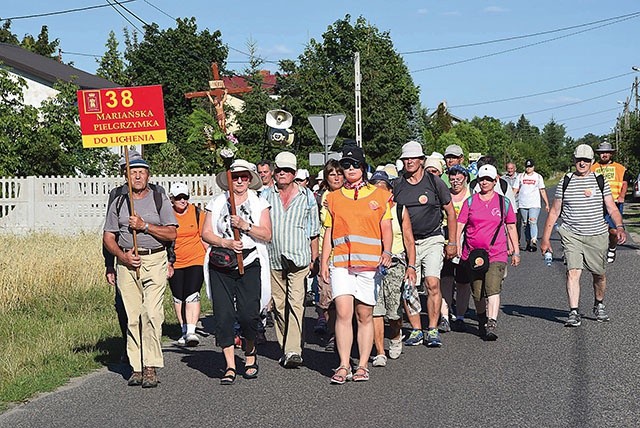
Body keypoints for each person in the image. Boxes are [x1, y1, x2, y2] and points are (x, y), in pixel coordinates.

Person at [103, 154, 178, 388]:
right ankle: (136, 366)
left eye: (141, 171)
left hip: (154, 259)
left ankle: (150, 366)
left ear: (148, 175)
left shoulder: (158, 197)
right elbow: (108, 236)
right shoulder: (118, 199)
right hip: (127, 262)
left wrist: (144, 225)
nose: (137, 175)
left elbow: (172, 233)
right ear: (126, 175)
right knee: (133, 316)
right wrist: (121, 257)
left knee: (152, 314)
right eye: (132, 171)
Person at [320, 145, 393, 384]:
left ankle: (361, 365)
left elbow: (386, 227)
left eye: (355, 165)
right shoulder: (332, 198)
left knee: (364, 314)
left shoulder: (380, 196)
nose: (350, 169)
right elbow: (329, 232)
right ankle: (343, 364)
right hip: (341, 262)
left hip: (369, 264)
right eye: (346, 165)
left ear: (363, 168)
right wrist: (323, 263)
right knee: (342, 311)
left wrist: (388, 251)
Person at [201, 159, 272, 384]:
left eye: (244, 177)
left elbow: (267, 234)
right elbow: (206, 233)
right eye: (235, 177)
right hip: (221, 263)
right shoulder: (217, 202)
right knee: (223, 316)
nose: (239, 181)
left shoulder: (259, 203)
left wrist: (245, 226)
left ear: (250, 179)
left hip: (249, 262)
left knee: (248, 314)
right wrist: (226, 243)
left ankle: (250, 354)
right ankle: (230, 365)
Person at [540, 144, 626, 327]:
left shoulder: (600, 180)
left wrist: (619, 226)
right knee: (573, 272)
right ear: (574, 160)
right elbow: (555, 212)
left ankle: (599, 303)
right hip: (572, 234)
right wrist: (546, 239)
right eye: (579, 159)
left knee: (599, 274)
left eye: (586, 160)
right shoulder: (566, 181)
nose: (582, 163)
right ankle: (573, 311)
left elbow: (611, 207)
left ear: (591, 162)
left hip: (597, 234)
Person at [393, 141, 458, 348]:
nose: (409, 161)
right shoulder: (397, 185)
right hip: (406, 243)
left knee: (432, 283)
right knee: (408, 287)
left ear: (422, 160)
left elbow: (450, 212)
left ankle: (432, 328)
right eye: (406, 158)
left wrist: (452, 242)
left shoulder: (434, 181)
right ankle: (415, 329)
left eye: (413, 158)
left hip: (432, 238)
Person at [260, 151, 320, 368]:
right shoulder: (266, 196)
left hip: (300, 258)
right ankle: (289, 344)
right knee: (279, 304)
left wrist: (315, 257)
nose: (283, 174)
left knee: (295, 302)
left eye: (288, 170)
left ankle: (293, 350)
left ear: (294, 173)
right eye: (280, 170)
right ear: (275, 172)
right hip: (273, 257)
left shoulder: (307, 197)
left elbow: (314, 230)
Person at [456, 164, 520, 340]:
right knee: (477, 292)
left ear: (495, 181)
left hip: (496, 253)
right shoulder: (470, 202)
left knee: (492, 288)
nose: (484, 182)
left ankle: (491, 323)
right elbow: (460, 224)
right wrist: (456, 243)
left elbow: (511, 226)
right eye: (482, 179)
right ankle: (482, 318)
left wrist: (515, 251)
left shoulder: (503, 202)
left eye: (488, 179)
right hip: (473, 254)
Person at [369, 170, 416, 367]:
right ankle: (380, 351)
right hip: (372, 264)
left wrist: (411, 266)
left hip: (396, 263)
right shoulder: (368, 209)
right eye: (374, 189)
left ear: (390, 191)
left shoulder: (399, 210)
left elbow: (409, 240)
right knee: (375, 309)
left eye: (382, 189)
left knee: (394, 310)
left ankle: (396, 336)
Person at [167, 182, 206, 347]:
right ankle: (183, 330)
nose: (182, 200)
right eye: (178, 198)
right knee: (178, 296)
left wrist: (210, 258)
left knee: (192, 292)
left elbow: (205, 236)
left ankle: (191, 330)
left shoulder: (197, 213)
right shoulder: (166, 215)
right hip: (175, 260)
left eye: (185, 197)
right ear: (172, 199)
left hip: (196, 258)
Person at [314, 159, 344, 351]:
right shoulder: (320, 199)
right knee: (328, 300)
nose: (336, 177)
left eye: (339, 173)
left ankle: (343, 335)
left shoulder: (350, 195)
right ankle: (333, 334)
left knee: (344, 299)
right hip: (326, 253)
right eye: (332, 174)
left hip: (346, 253)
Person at [440, 165, 472, 332]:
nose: (455, 182)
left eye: (459, 179)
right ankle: (445, 316)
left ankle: (460, 316)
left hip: (467, 241)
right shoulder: (445, 195)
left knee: (463, 282)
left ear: (465, 179)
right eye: (452, 179)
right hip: (447, 239)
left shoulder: (471, 195)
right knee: (445, 279)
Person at [590, 141, 630, 263]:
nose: (604, 155)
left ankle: (612, 247)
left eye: (607, 152)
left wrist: (622, 196)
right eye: (602, 153)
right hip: (597, 203)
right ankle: (597, 253)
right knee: (598, 229)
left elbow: (624, 183)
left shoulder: (620, 168)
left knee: (613, 230)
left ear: (611, 154)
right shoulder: (593, 168)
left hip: (615, 203)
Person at [514, 159, 549, 252]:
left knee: (532, 221)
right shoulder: (520, 176)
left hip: (534, 203)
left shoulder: (538, 177)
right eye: (527, 167)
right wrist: (509, 200)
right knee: (525, 223)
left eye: (530, 167)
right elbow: (515, 189)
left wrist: (546, 203)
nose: (528, 168)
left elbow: (542, 190)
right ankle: (528, 241)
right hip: (523, 203)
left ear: (533, 167)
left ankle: (534, 240)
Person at [501, 162, 522, 244]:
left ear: (515, 169)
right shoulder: (503, 179)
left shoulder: (520, 177)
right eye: (508, 169)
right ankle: (507, 241)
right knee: (506, 224)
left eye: (511, 168)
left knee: (517, 224)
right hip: (506, 204)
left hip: (518, 204)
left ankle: (517, 241)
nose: (510, 170)